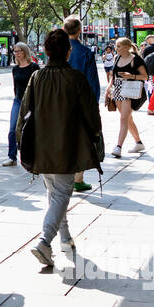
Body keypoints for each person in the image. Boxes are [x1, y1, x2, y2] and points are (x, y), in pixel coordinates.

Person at [18, 28, 102, 268]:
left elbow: (24, 113)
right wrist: (96, 134)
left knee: (55, 194)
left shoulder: (37, 77)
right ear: (68, 51)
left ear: (46, 51)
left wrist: (20, 142)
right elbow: (91, 113)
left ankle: (64, 238)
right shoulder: (76, 78)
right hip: (67, 144)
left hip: (42, 145)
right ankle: (44, 241)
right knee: (62, 194)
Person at [62, 16, 99, 191]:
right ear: (79, 31)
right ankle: (78, 178)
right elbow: (92, 81)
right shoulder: (86, 52)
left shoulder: (59, 51)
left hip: (61, 101)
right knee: (82, 139)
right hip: (81, 102)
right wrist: (94, 104)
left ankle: (63, 175)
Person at [108, 36, 147, 157]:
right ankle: (138, 142)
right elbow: (112, 76)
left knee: (124, 118)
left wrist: (131, 76)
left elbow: (145, 76)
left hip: (130, 90)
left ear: (126, 47)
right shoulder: (116, 57)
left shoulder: (136, 59)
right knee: (127, 118)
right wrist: (109, 87)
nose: (116, 48)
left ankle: (118, 147)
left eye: (118, 46)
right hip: (118, 89)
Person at [3, 42, 40, 166]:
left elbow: (38, 86)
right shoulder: (15, 69)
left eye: (19, 51)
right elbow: (15, 87)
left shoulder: (34, 67)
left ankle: (34, 156)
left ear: (25, 52)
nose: (16, 53)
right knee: (12, 129)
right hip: (18, 100)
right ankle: (12, 157)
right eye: (15, 51)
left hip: (31, 101)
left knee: (31, 129)